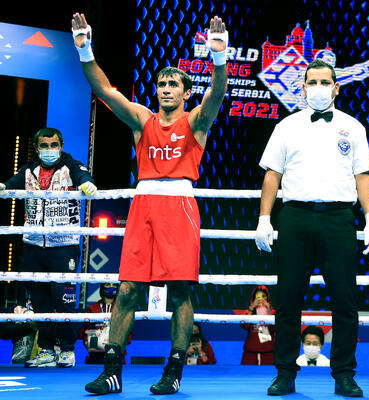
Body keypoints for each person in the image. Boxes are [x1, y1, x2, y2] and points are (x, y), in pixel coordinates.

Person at [70, 12, 228, 395]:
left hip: (180, 205)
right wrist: (85, 49)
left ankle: (174, 370)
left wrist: (220, 56)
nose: (166, 89)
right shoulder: (143, 120)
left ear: (186, 92)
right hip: (143, 203)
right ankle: (111, 371)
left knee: (180, 292)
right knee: (127, 289)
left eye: (174, 84)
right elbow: (104, 90)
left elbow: (217, 94)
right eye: (161, 84)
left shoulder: (196, 122)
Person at [255, 59, 369, 397]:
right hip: (295, 217)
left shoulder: (353, 127)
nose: (319, 88)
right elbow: (272, 175)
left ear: (336, 88)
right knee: (288, 298)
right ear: (304, 87)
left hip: (339, 218)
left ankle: (344, 375)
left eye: (325, 82)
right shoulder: (287, 126)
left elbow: (363, 175)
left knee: (345, 300)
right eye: (313, 82)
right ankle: (285, 373)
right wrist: (264, 218)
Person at [0, 127, 97, 368]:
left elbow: (84, 176)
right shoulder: (28, 170)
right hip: (33, 244)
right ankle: (46, 349)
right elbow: (9, 184)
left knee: (63, 300)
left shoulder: (71, 166)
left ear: (61, 146)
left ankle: (66, 350)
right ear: (36, 148)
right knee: (40, 301)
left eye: (54, 145)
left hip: (64, 245)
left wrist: (87, 184)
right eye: (44, 145)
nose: (49, 149)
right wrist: (2, 187)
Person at [80, 283, 131, 364]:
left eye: (114, 285)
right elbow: (86, 330)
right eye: (108, 284)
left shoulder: (122, 308)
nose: (111, 287)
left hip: (117, 354)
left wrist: (116, 341)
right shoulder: (93, 308)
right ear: (102, 287)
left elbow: (128, 332)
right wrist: (88, 341)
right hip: (95, 356)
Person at [241, 285, 275, 365]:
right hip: (250, 352)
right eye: (258, 296)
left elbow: (274, 328)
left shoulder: (273, 313)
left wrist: (268, 310)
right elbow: (245, 326)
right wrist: (252, 308)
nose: (260, 299)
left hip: (268, 352)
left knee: (268, 372)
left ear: (267, 298)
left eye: (263, 296)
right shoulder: (249, 312)